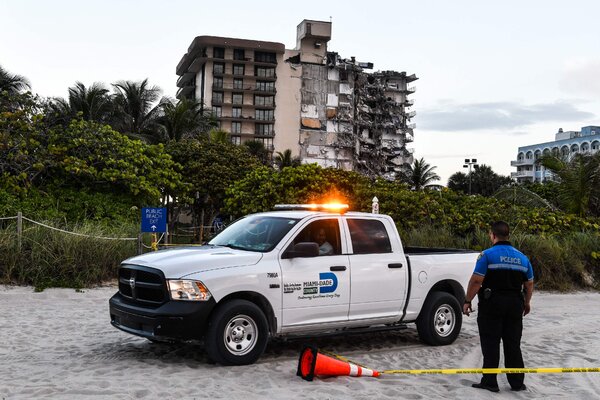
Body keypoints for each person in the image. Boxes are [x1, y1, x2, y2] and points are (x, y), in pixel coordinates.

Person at [463, 221, 534, 393]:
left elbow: (476, 281)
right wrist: (526, 303)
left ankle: (490, 382)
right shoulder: (522, 258)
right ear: (507, 235)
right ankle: (517, 383)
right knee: (513, 344)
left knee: (491, 343)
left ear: (493, 235)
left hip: (492, 304)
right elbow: (529, 284)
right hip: (515, 304)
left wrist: (467, 300)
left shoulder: (486, 255)